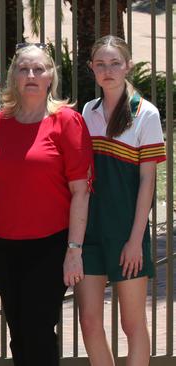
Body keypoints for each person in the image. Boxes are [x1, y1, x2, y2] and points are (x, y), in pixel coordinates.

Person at [0, 43, 93, 365]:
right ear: (13, 75)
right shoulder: (2, 120)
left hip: (50, 244)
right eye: (24, 68)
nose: (31, 75)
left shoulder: (66, 121)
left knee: (38, 329)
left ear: (50, 77)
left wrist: (74, 251)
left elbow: (81, 191)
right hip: (2, 243)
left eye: (39, 69)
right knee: (18, 329)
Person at [78, 35, 165, 366]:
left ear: (127, 66)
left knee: (133, 324)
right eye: (100, 64)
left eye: (115, 63)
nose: (108, 70)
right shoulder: (88, 110)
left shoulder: (146, 113)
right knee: (88, 322)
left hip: (127, 234)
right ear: (92, 69)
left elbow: (147, 182)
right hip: (90, 234)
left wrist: (134, 241)